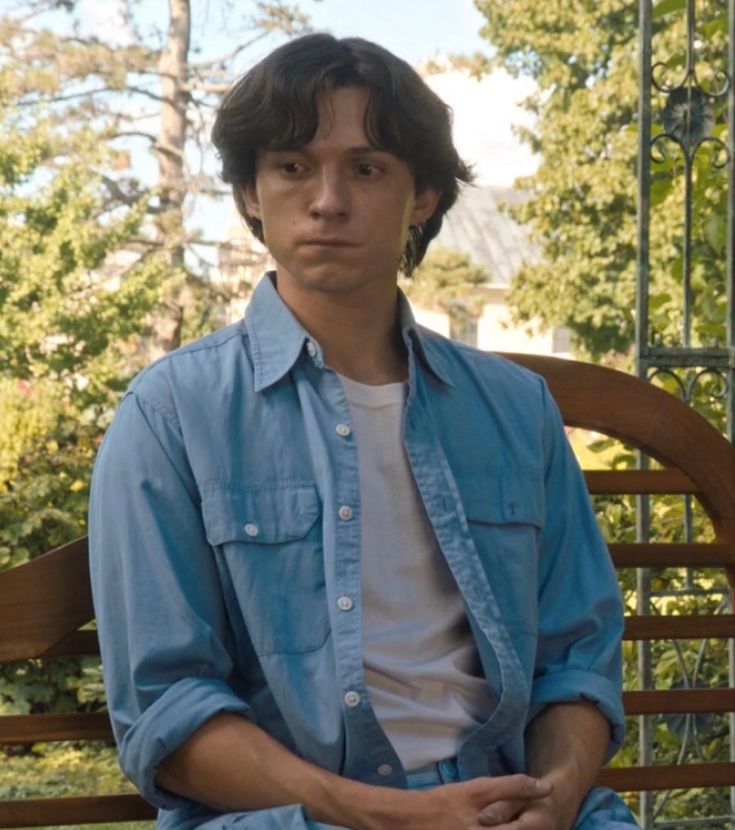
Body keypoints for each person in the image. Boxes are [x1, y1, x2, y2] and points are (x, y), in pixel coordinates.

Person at [89, 34, 640, 830]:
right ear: (249, 192)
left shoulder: (516, 410)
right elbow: (165, 712)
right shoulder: (171, 415)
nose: (327, 200)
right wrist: (391, 816)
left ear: (422, 196)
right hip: (300, 818)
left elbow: (574, 658)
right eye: (291, 167)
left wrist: (552, 798)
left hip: (510, 803)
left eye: (366, 168)